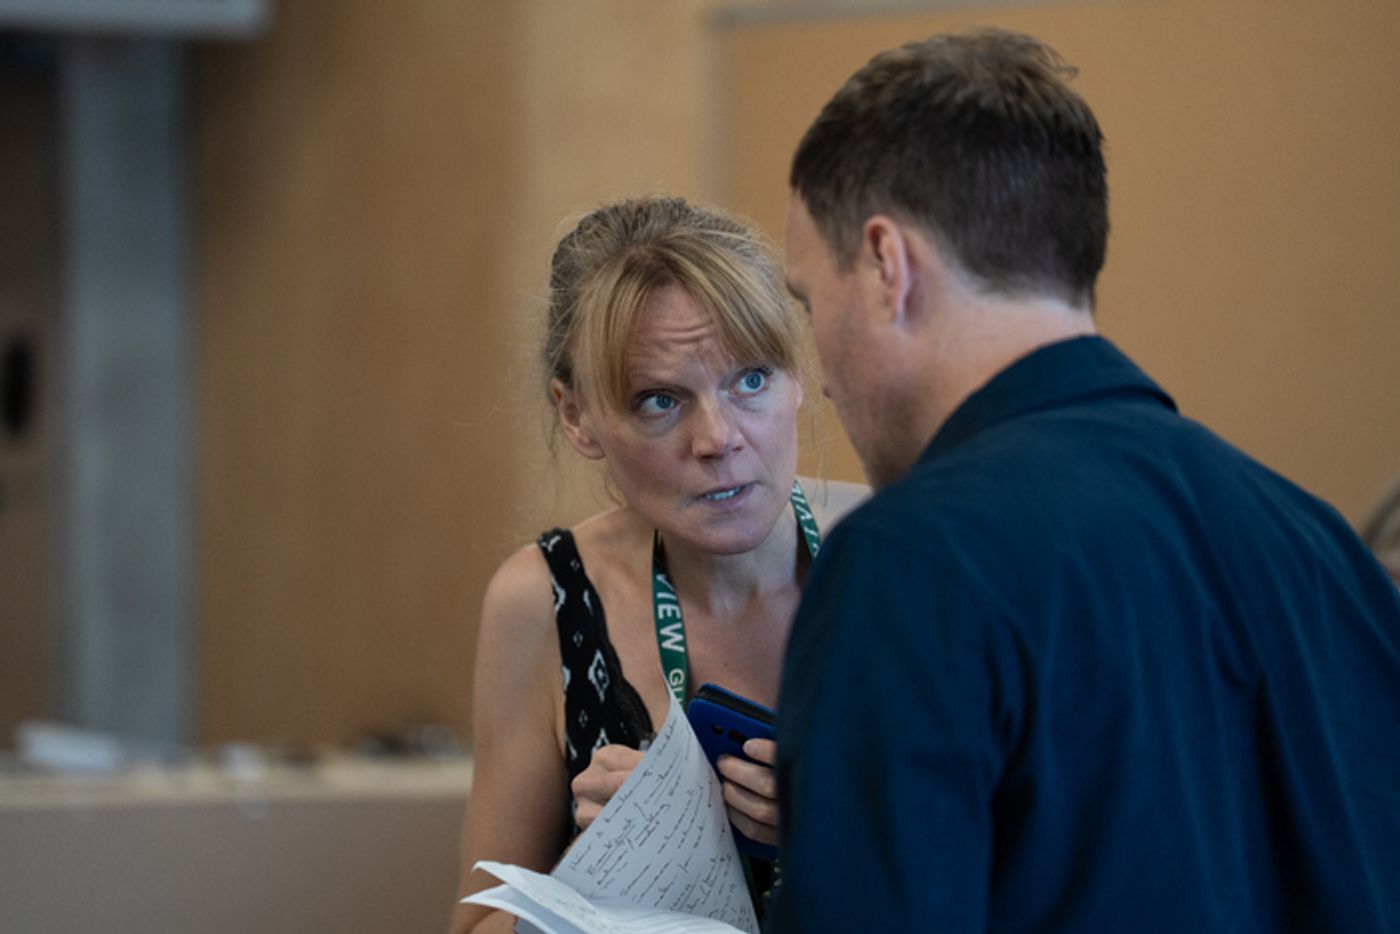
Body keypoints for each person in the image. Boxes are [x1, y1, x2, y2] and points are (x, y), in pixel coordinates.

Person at [772, 28, 1400, 932]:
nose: (819, 372)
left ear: (884, 266)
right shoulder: (1323, 547)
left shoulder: (908, 561)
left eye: (808, 299)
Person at [447, 196, 863, 933]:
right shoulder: (543, 598)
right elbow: (477, 925)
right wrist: (607, 870)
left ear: (800, 375)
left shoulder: (902, 551)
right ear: (577, 417)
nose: (718, 437)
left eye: (752, 379)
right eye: (659, 401)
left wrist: (843, 827)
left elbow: (1043, 873)